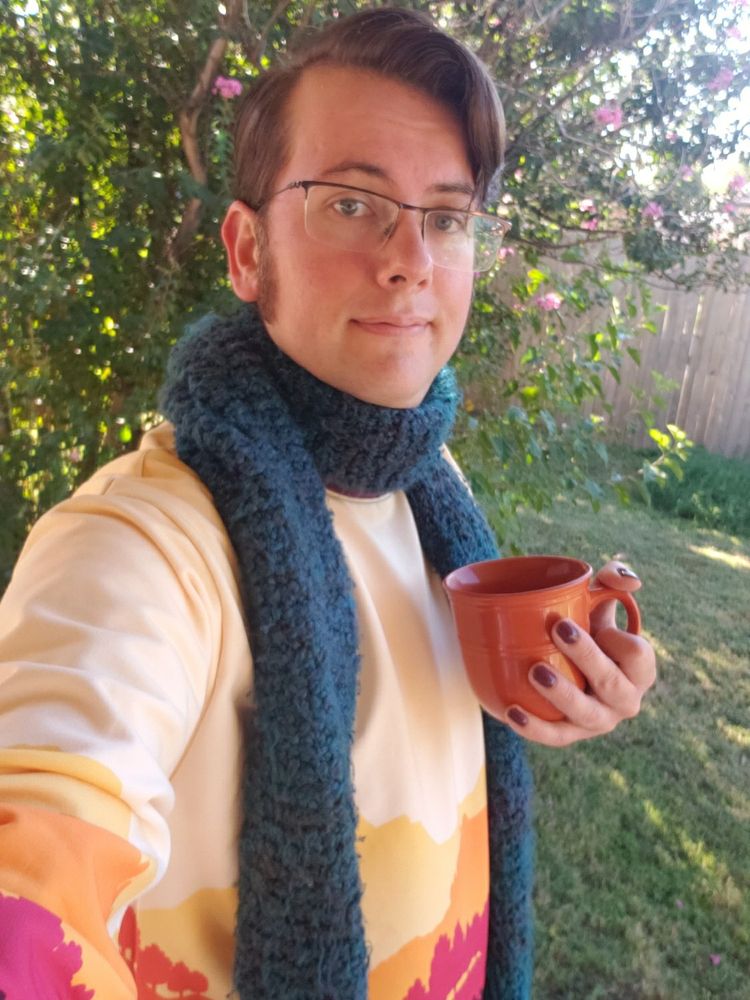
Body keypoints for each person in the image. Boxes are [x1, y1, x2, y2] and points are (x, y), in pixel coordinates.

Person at [0, 9, 655, 1000]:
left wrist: (562, 684)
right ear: (246, 249)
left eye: (446, 216)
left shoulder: (431, 487)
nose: (411, 259)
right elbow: (36, 849)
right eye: (352, 203)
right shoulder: (140, 544)